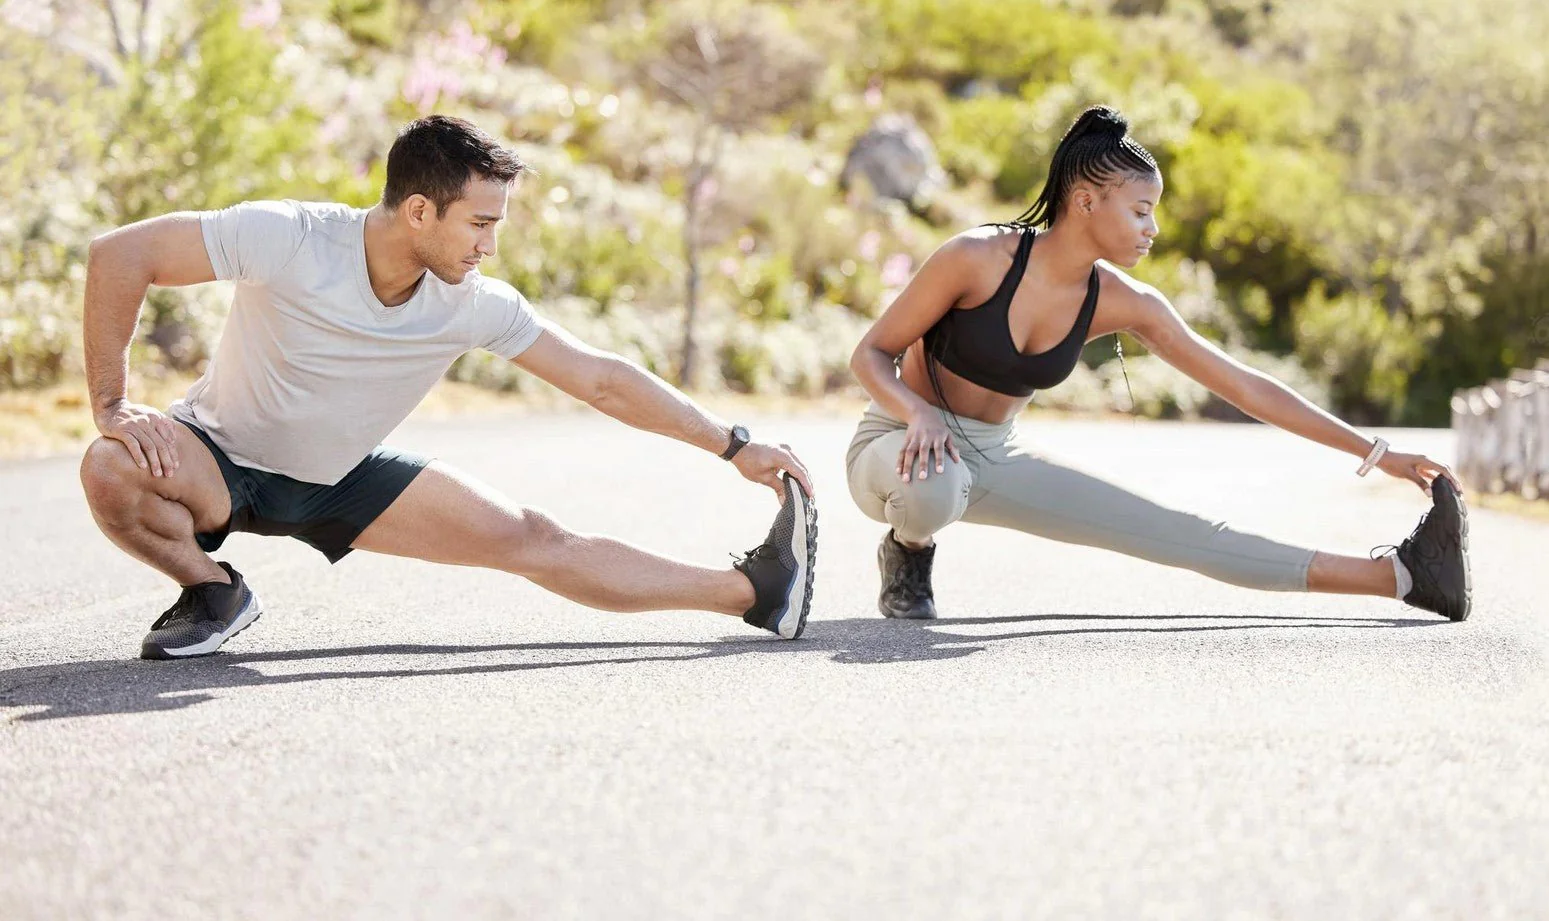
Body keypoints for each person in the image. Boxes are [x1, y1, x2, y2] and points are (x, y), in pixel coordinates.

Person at [80, 115, 818, 660]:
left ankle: (757, 592)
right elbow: (122, 253)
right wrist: (112, 405)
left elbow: (602, 380)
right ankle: (213, 588)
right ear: (419, 209)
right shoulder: (290, 238)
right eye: (479, 223)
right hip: (219, 456)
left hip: (343, 478)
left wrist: (734, 445)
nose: (488, 246)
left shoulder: (471, 302)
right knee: (108, 464)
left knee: (536, 538)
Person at [846, 105, 1470, 623]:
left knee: (1185, 534)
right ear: (1086, 202)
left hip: (992, 456)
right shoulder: (976, 257)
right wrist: (917, 412)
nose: (1153, 228)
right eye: (1140, 211)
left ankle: (1405, 578)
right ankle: (908, 550)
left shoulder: (1124, 301)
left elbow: (1244, 386)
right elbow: (870, 353)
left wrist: (1375, 452)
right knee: (931, 488)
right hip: (897, 444)